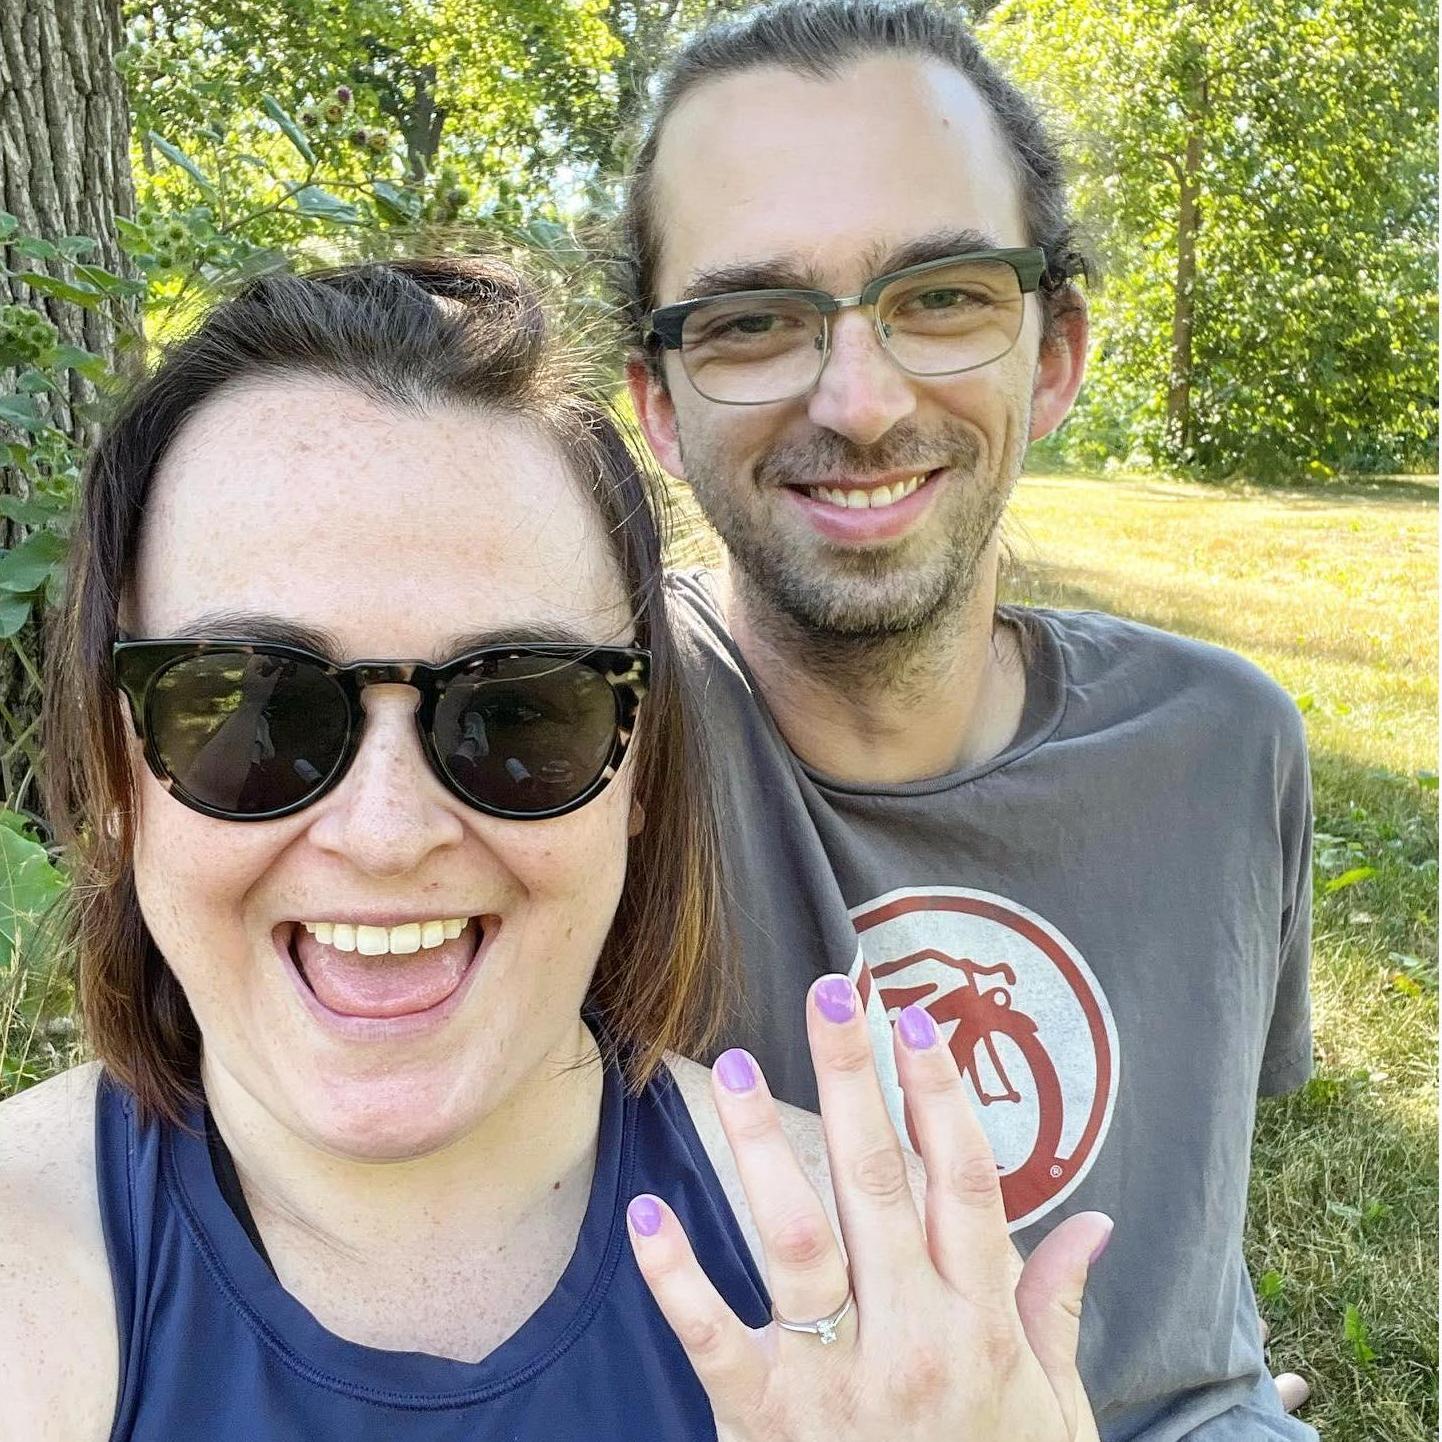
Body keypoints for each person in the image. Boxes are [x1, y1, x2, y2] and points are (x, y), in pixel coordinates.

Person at [0, 256, 1111, 1440]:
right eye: (252, 712)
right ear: (116, 768)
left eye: (520, 710)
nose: (385, 832)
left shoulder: (890, 1301)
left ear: (636, 775)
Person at [618, 3, 1317, 1437]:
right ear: (658, 406)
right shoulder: (578, 759)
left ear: (1052, 354)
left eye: (940, 296)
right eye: (751, 321)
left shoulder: (1228, 747)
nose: (861, 403)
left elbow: (1187, 1285)